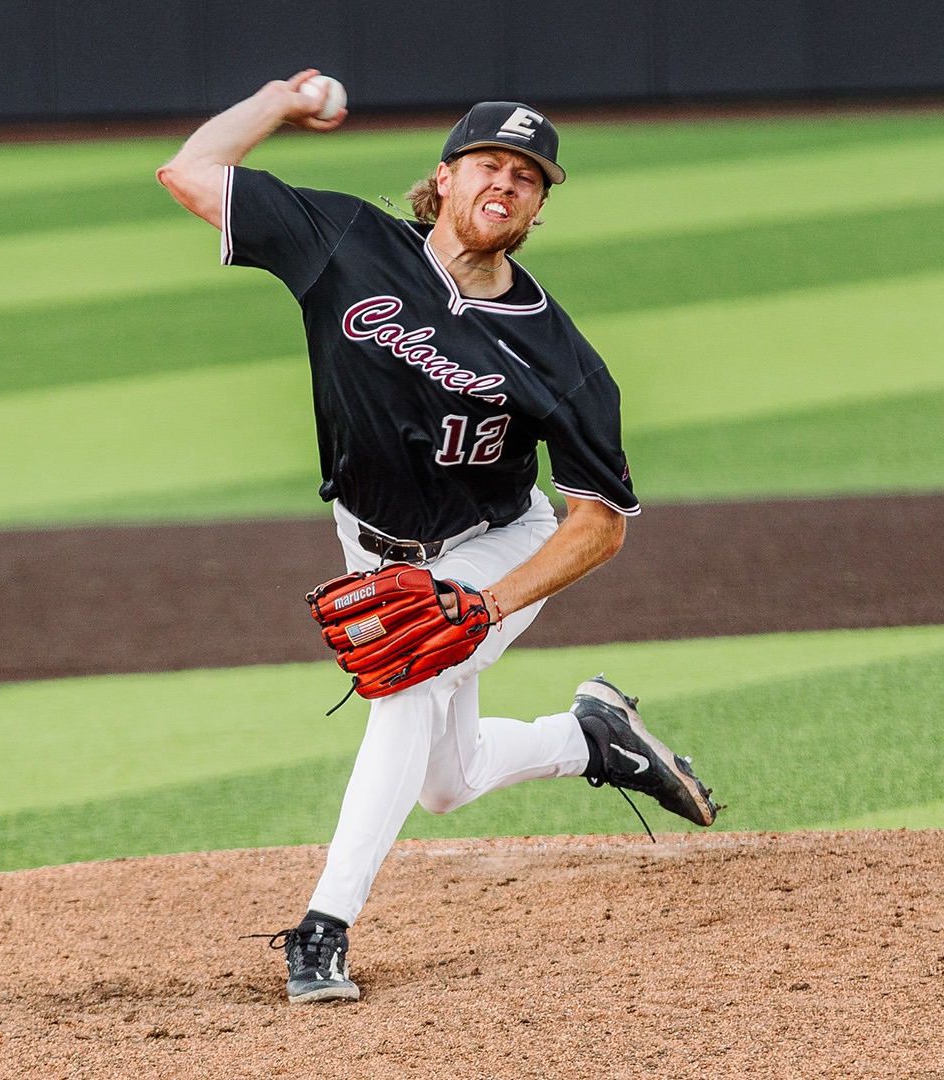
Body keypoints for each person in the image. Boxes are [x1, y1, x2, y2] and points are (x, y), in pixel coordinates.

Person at [156, 70, 719, 1004]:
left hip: (493, 546)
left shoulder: (562, 359)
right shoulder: (346, 243)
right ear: (445, 178)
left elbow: (599, 526)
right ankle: (592, 740)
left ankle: (323, 927)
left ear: (541, 204)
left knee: (407, 676)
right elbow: (189, 170)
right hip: (367, 537)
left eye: (528, 177)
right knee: (445, 782)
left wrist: (483, 604)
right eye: (489, 164)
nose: (506, 184)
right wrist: (278, 103)